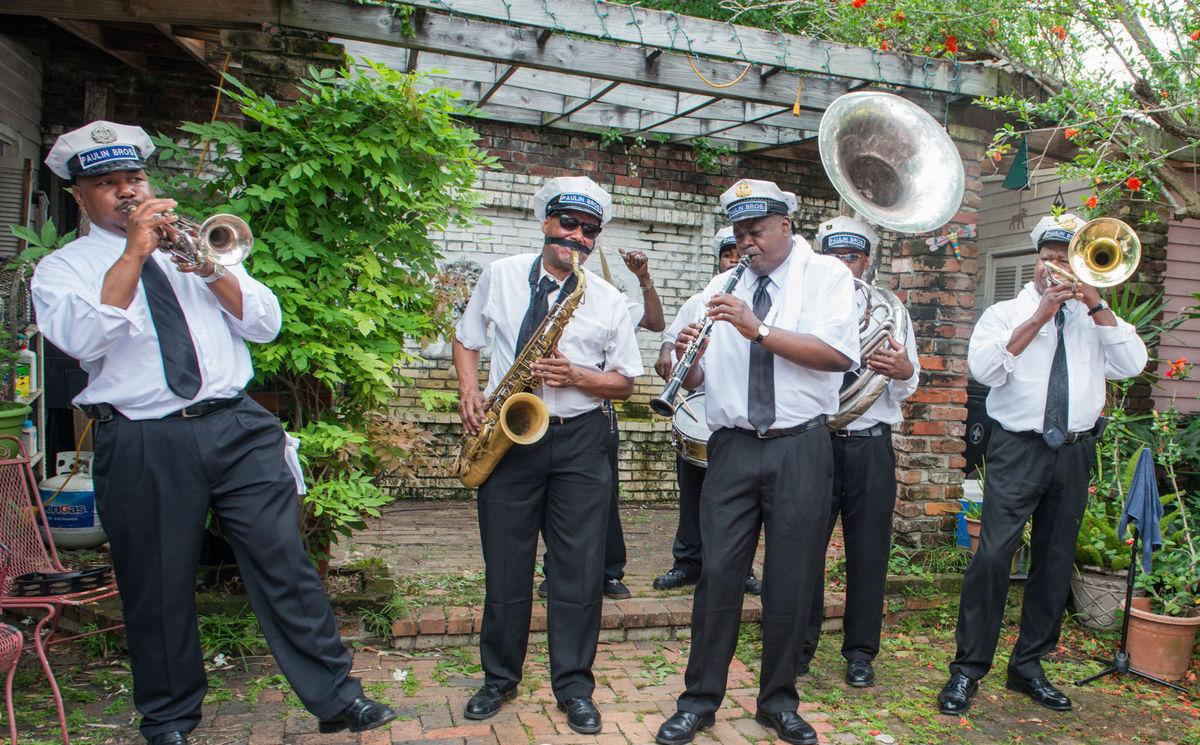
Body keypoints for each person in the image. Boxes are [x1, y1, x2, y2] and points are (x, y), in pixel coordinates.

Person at [30, 122, 395, 745]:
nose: (125, 192)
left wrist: (203, 264)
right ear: (78, 196)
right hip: (145, 439)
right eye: (107, 183)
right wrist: (135, 253)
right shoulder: (63, 269)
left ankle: (338, 699)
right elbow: (85, 341)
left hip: (236, 424)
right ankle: (169, 721)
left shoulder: (197, 247)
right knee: (157, 582)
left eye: (134, 179)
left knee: (286, 563)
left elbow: (264, 323)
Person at [655, 180, 858, 745]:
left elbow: (838, 356)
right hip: (733, 446)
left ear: (786, 226)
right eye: (740, 234)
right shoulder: (719, 286)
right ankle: (698, 702)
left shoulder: (827, 277)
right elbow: (689, 377)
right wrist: (679, 354)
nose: (748, 245)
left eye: (757, 232)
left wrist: (757, 328)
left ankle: (778, 702)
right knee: (718, 575)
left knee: (792, 580)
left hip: (801, 444)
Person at [453, 176, 643, 735]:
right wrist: (468, 389)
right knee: (506, 566)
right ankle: (499, 679)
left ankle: (574, 687)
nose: (578, 237)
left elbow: (626, 383)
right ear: (546, 222)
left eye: (590, 231)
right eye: (569, 224)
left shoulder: (606, 298)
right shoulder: (501, 276)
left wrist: (578, 375)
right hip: (509, 438)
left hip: (579, 440)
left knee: (579, 572)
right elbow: (467, 339)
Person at [937, 213, 1148, 715]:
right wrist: (1038, 318)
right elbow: (985, 370)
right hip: (1018, 448)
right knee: (992, 558)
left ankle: (1028, 666)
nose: (1058, 268)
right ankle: (968, 671)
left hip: (1074, 451)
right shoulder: (1004, 313)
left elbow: (1133, 365)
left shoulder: (1095, 319)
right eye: (1051, 257)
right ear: (1037, 259)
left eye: (1067, 259)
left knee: (1054, 565)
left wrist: (1095, 303)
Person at [796, 215, 920, 687]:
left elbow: (907, 387)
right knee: (803, 547)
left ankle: (860, 652)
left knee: (869, 553)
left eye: (853, 257)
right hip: (815, 441)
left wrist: (905, 370)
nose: (844, 265)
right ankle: (799, 645)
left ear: (866, 262)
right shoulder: (806, 307)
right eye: (834, 256)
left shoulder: (891, 309)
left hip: (871, 445)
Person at [539, 245, 664, 601]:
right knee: (554, 499)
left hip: (595, 413)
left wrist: (643, 278)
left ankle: (610, 571)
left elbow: (656, 323)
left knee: (603, 498)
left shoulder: (609, 298)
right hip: (545, 412)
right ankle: (558, 567)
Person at [652, 227, 761, 596]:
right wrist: (670, 352)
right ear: (719, 259)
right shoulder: (702, 298)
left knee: (743, 505)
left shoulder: (761, 299)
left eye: (739, 252)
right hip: (702, 407)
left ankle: (739, 569)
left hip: (742, 416)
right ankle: (687, 563)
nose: (735, 259)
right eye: (729, 253)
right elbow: (671, 339)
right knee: (693, 494)